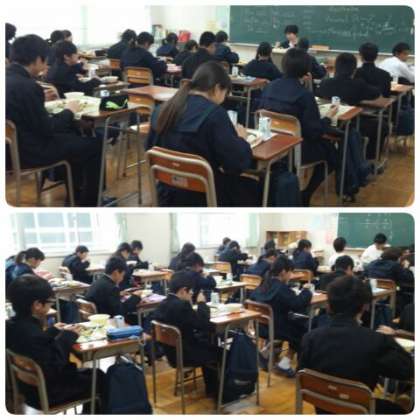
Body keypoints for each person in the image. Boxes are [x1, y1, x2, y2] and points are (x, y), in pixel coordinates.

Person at [6, 35, 104, 206]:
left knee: (74, 139)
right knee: (95, 144)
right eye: (45, 61)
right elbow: (48, 129)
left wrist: (40, 101)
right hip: (31, 152)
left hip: (10, 151)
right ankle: (89, 203)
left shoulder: (9, 79)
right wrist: (69, 111)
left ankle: (74, 196)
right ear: (38, 59)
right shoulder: (28, 86)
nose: (46, 66)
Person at [146, 61, 260, 206]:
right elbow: (236, 164)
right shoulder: (214, 115)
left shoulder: (162, 109)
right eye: (225, 93)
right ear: (217, 88)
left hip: (166, 194)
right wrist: (241, 140)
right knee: (259, 188)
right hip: (205, 196)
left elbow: (149, 149)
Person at [299, 275, 413, 414]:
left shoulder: (310, 338)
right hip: (360, 410)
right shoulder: (376, 341)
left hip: (323, 406)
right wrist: (391, 339)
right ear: (364, 306)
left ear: (329, 305)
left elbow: (302, 374)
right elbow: (406, 370)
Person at [6, 275, 106, 413]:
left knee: (92, 373)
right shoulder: (33, 334)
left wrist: (53, 331)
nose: (51, 305)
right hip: (48, 393)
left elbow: (35, 346)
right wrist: (68, 337)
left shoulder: (11, 326)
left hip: (27, 388)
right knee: (98, 377)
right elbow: (55, 365)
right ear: (37, 305)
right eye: (49, 302)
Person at [259, 48, 339, 206]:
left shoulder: (269, 87)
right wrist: (328, 118)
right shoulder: (305, 95)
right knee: (332, 153)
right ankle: (306, 194)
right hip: (295, 150)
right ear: (306, 70)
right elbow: (314, 132)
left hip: (271, 145)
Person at [152, 273, 220, 397]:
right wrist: (201, 303)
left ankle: (213, 388)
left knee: (206, 340)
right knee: (221, 352)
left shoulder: (162, 304)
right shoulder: (182, 306)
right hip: (186, 355)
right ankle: (219, 391)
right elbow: (203, 324)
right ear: (183, 290)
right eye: (191, 291)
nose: (192, 293)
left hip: (171, 353)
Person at [318, 53, 390, 160]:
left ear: (336, 67)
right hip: (350, 124)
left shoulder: (325, 83)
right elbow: (375, 93)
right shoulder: (358, 84)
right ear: (354, 70)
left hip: (329, 123)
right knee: (382, 125)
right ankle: (368, 158)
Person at [251, 256, 312, 377]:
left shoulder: (264, 284)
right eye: (290, 272)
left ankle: (265, 352)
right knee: (303, 329)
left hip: (259, 327)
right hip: (275, 328)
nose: (291, 276)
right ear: (283, 271)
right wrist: (306, 291)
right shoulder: (280, 288)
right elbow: (297, 304)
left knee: (292, 323)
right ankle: (284, 364)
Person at [366, 247, 414, 312]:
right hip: (390, 296)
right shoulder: (395, 265)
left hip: (373, 293)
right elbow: (409, 278)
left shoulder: (372, 263)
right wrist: (406, 267)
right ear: (398, 257)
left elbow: (364, 275)